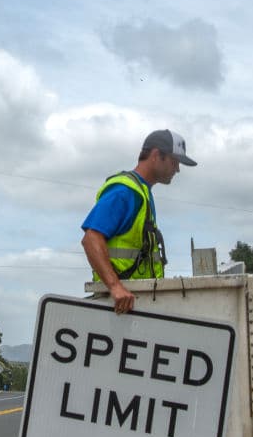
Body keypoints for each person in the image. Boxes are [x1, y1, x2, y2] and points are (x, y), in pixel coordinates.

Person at [81, 129, 197, 314]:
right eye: (174, 162)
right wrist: (115, 287)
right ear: (157, 155)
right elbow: (91, 238)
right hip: (117, 305)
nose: (177, 169)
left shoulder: (143, 192)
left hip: (132, 305)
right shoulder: (126, 191)